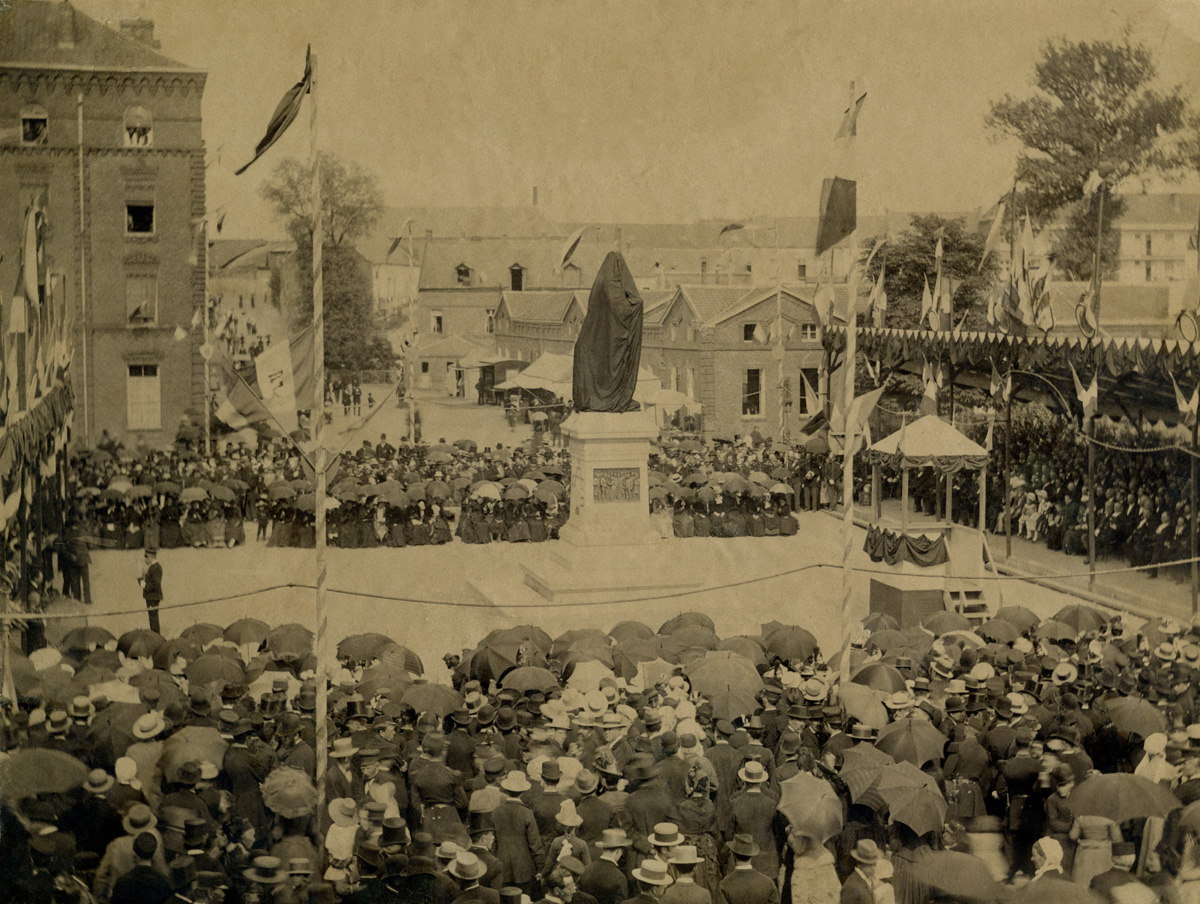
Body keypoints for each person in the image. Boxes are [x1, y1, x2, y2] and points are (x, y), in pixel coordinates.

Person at [138, 547, 163, 634]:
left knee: (153, 619)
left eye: (146, 556)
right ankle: (155, 635)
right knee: (152, 618)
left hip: (153, 597)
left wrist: (142, 582)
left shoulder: (155, 568)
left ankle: (156, 636)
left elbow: (154, 585)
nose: (145, 559)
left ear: (152, 557)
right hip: (151, 596)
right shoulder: (153, 567)